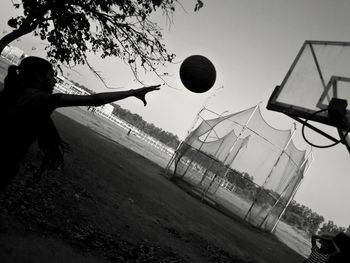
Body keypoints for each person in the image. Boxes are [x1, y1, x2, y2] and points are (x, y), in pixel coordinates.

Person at [0, 56, 160, 194]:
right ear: (39, 76)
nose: (55, 80)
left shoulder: (11, 92)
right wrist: (132, 92)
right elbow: (95, 100)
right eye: (52, 75)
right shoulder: (45, 100)